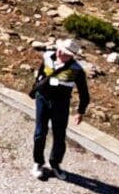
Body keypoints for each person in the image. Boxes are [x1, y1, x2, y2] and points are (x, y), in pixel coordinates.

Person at [29, 39, 90, 179]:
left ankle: (55, 163)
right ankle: (38, 162)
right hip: (43, 100)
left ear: (72, 55)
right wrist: (36, 88)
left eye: (65, 52)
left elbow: (84, 93)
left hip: (60, 104)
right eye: (60, 49)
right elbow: (40, 73)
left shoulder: (77, 70)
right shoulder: (47, 56)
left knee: (59, 135)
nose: (60, 52)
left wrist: (80, 111)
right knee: (39, 133)